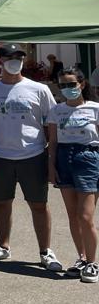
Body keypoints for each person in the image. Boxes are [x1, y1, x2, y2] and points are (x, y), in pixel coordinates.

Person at [0, 44, 62, 270]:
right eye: (9, 57)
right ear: (0, 61)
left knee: (39, 205)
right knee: (1, 203)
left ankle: (45, 251)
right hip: (0, 156)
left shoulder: (39, 89)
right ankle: (3, 246)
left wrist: (51, 158)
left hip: (33, 155)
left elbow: (51, 125)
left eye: (19, 57)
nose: (14, 61)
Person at [46, 67, 98, 283]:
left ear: (82, 84)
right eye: (63, 85)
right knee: (73, 215)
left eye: (72, 84)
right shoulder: (56, 111)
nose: (68, 88)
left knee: (86, 216)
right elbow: (53, 142)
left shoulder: (95, 108)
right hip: (64, 158)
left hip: (88, 158)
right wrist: (51, 166)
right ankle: (82, 258)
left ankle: (93, 263)